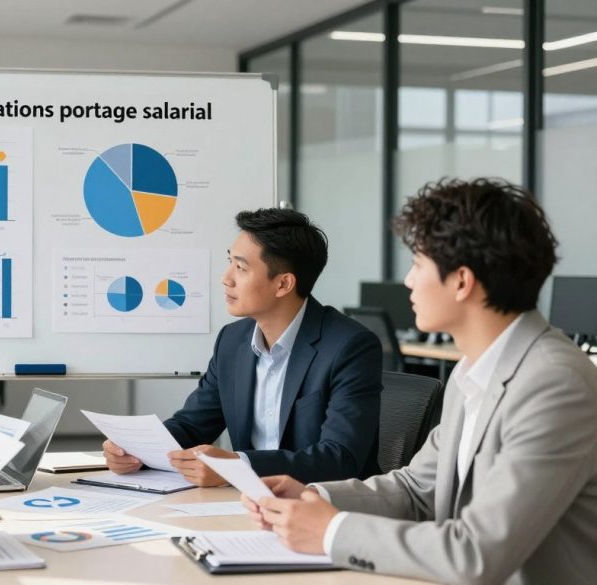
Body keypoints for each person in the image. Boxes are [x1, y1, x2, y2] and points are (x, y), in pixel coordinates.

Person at [245, 178, 597, 585]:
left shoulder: (554, 385)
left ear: (461, 281)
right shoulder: (472, 371)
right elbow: (416, 489)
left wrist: (330, 531)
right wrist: (315, 497)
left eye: (417, 264)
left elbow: (476, 554)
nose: (409, 282)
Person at [104, 208, 383, 486]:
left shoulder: (349, 346)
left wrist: (236, 467)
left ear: (283, 283)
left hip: (321, 503)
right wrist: (136, 450)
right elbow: (192, 425)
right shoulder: (232, 340)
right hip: (245, 501)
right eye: (230, 262)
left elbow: (340, 458)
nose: (226, 278)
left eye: (240, 267)